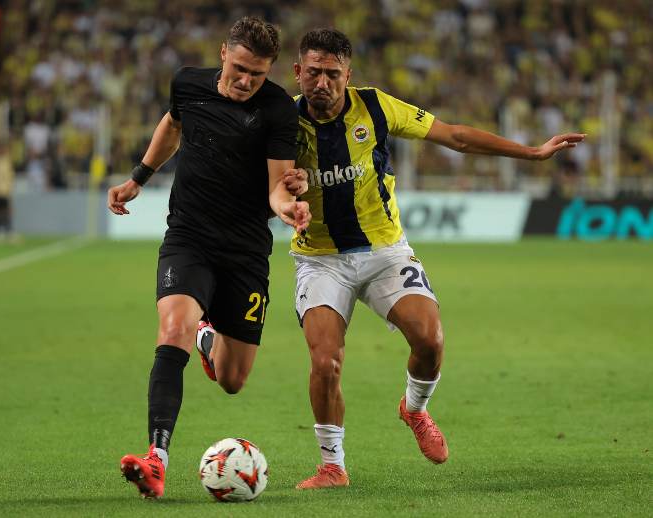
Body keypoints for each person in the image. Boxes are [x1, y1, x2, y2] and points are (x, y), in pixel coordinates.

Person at [283, 29, 584, 488]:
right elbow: (257, 179)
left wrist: (532, 152)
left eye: (333, 73)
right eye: (314, 72)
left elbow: (455, 136)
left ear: (349, 74)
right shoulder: (280, 122)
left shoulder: (376, 107)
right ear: (297, 72)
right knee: (325, 362)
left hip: (385, 250)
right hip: (320, 258)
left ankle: (414, 409)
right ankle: (332, 466)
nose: (322, 82)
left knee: (430, 340)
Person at [106, 16, 310, 500]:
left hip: (244, 252)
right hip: (189, 238)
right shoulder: (188, 84)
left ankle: (207, 338)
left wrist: (289, 208)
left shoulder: (278, 109)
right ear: (223, 53)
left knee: (233, 380)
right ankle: (157, 459)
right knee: (170, 328)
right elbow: (173, 125)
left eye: (257, 74)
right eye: (240, 69)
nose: (246, 81)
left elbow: (277, 185)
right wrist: (139, 176)